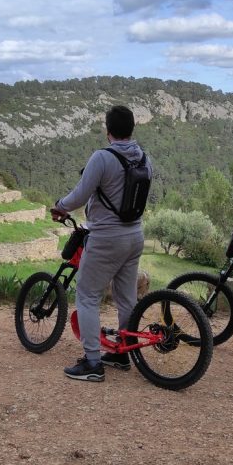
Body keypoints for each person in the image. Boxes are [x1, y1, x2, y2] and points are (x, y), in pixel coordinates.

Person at [50, 105, 152, 382]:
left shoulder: (102, 158)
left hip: (107, 237)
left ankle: (92, 362)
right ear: (132, 129)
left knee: (87, 295)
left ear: (108, 130)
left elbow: (81, 194)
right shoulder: (144, 158)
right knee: (126, 297)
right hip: (135, 236)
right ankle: (121, 352)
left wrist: (60, 206)